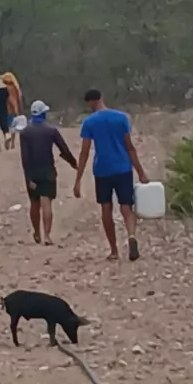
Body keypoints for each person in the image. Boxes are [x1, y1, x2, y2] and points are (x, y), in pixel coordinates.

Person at [73, 88, 148, 262]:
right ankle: (131, 236)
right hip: (123, 168)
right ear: (102, 97)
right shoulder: (121, 118)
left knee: (106, 208)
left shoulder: (89, 122)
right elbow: (130, 147)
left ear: (90, 103)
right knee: (126, 207)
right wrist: (141, 172)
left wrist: (78, 179)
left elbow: (84, 152)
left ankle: (114, 250)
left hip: (102, 170)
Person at [20, 99, 77, 245]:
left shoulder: (25, 132)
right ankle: (47, 235)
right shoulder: (51, 131)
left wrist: (28, 177)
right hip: (48, 171)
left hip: (32, 172)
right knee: (46, 203)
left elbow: (25, 157)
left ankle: (36, 232)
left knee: (34, 203)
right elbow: (64, 149)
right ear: (43, 114)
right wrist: (73, 163)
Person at [2, 71, 23, 149]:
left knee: (6, 126)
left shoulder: (3, 88)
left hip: (5, 109)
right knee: (13, 126)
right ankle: (13, 143)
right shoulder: (16, 87)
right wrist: (20, 108)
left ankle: (7, 137)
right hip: (14, 109)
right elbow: (19, 98)